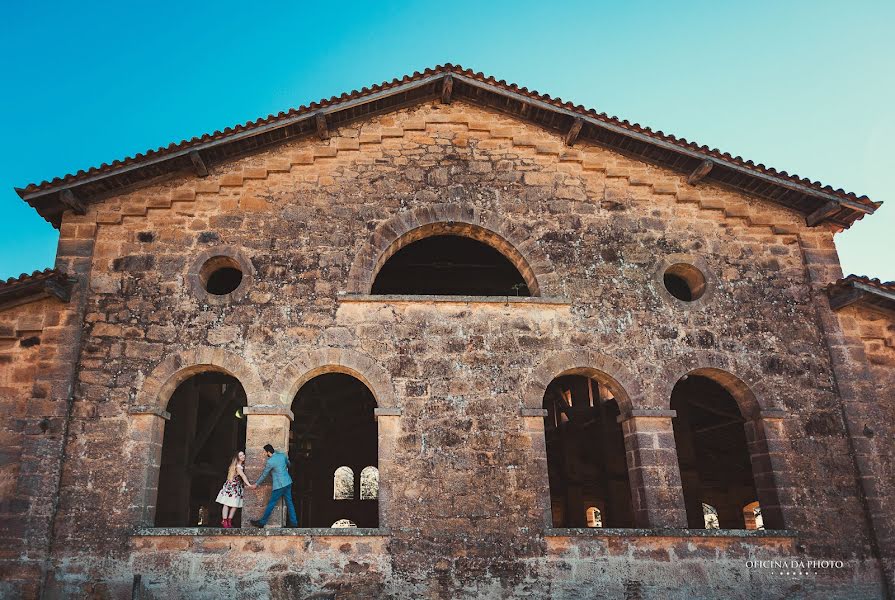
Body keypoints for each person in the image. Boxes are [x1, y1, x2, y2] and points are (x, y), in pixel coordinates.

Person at [249, 444, 298, 528]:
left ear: (268, 452)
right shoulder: (282, 456)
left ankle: (262, 522)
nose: (264, 454)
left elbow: (264, 474)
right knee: (289, 503)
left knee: (271, 503)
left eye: (265, 452)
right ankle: (294, 523)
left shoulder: (270, 461)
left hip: (279, 485)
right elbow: (289, 464)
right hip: (287, 482)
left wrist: (256, 484)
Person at [215, 450, 252, 528]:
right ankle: (225, 520)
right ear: (238, 458)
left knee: (235, 505)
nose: (243, 456)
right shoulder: (238, 467)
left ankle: (229, 520)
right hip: (231, 487)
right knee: (226, 504)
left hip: (237, 487)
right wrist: (249, 484)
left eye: (243, 455)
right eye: (241, 456)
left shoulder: (242, 465)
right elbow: (243, 476)